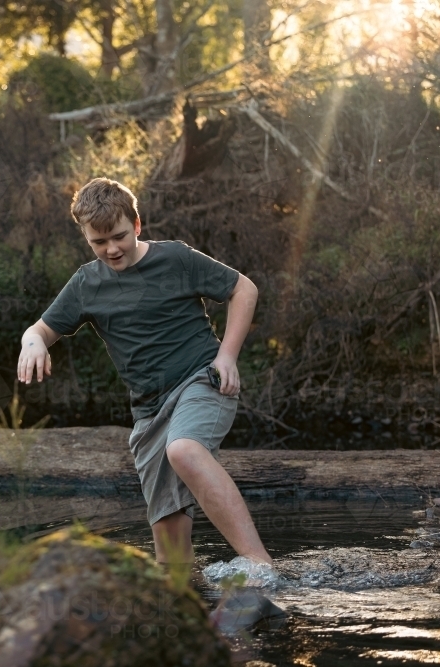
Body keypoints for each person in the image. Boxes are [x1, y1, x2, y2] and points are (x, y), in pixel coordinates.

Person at [17, 177, 272, 570]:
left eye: (119, 236)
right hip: (150, 412)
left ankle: (259, 563)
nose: (112, 249)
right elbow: (41, 330)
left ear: (136, 224)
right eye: (99, 243)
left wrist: (227, 357)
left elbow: (245, 289)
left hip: (201, 380)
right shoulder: (87, 283)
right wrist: (32, 342)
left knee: (184, 449)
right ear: (86, 237)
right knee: (171, 561)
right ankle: (190, 613)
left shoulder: (176, 259)